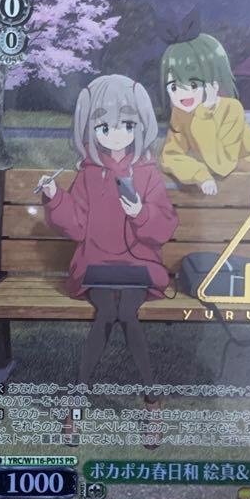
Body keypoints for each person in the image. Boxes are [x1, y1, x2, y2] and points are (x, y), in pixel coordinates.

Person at [40, 74, 177, 390]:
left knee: (127, 313)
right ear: (90, 130)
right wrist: (55, 197)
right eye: (104, 127)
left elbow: (164, 227)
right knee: (106, 312)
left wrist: (140, 213)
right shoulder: (88, 175)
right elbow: (77, 226)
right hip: (96, 265)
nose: (116, 135)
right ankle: (80, 393)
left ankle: (150, 393)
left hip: (139, 266)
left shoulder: (147, 174)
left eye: (127, 125)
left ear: (140, 127)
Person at [158, 13, 250, 194]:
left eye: (193, 85)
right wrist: (198, 174)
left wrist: (205, 114)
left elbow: (222, 165)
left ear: (213, 82)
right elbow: (169, 156)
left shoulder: (231, 109)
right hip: (241, 186)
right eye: (173, 86)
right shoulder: (181, 113)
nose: (181, 94)